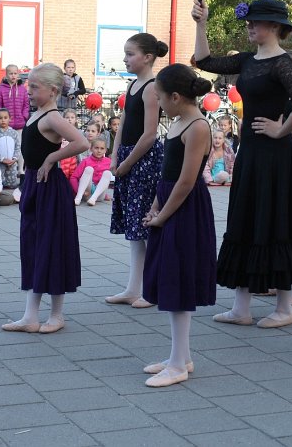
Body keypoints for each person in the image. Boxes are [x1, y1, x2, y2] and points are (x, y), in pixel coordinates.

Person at [193, 0, 292, 328]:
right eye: (249, 21)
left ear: (274, 27)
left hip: (276, 158)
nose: (249, 26)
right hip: (250, 153)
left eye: (256, 22)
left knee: (277, 222)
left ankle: (284, 308)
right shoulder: (248, 60)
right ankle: (241, 307)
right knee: (244, 220)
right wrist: (200, 23)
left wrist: (281, 129)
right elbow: (204, 60)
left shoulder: (282, 63)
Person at [140, 64, 215, 388]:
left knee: (178, 281)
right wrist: (156, 206)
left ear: (175, 96)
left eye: (159, 97)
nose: (157, 103)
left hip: (185, 209)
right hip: (169, 203)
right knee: (170, 280)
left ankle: (178, 363)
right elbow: (168, 176)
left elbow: (186, 181)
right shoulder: (177, 121)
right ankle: (179, 356)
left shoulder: (197, 127)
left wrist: (164, 214)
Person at [2, 63, 88, 334]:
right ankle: (30, 315)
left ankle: (57, 314)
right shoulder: (36, 113)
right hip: (35, 185)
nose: (29, 90)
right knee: (33, 247)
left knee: (52, 246)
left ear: (53, 91)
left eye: (35, 87)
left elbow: (82, 142)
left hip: (51, 189)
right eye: (30, 85)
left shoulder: (52, 117)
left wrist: (52, 158)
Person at [107, 33, 167, 310]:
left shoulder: (153, 87)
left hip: (143, 161)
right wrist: (114, 154)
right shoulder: (132, 85)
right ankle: (133, 287)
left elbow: (150, 133)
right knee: (134, 227)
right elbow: (124, 124)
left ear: (147, 57)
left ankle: (151, 288)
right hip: (128, 158)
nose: (125, 58)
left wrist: (128, 162)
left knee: (144, 224)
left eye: (130, 54)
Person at [71, 137, 113, 206]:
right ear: (91, 149)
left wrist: (105, 195)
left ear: (105, 150)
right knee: (89, 169)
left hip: (98, 196)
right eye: (96, 148)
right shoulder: (86, 161)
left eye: (102, 148)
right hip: (86, 193)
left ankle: (93, 199)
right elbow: (73, 177)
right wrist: (78, 190)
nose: (99, 151)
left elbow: (115, 177)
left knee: (107, 173)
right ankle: (78, 198)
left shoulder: (108, 161)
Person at [0, 109, 23, 192]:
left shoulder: (14, 133)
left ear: (9, 119)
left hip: (12, 163)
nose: (3, 120)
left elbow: (18, 147)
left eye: (5, 118)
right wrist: (2, 159)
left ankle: (11, 188)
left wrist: (14, 158)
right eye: (0, 118)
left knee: (12, 184)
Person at [0, 64, 29, 131]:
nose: (13, 75)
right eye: (11, 73)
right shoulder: (0, 89)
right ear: (6, 75)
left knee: (19, 141)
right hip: (5, 126)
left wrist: (24, 116)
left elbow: (26, 104)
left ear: (18, 74)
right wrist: (2, 118)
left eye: (15, 73)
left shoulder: (22, 89)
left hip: (20, 124)